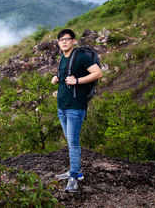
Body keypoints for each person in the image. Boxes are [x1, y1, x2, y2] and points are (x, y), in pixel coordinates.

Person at [51, 29, 102, 192]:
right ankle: (77, 172)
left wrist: (77, 80)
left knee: (73, 142)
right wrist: (57, 78)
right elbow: (65, 75)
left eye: (67, 39)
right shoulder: (63, 57)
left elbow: (98, 73)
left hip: (75, 107)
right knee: (70, 140)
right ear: (58, 43)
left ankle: (74, 177)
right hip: (62, 106)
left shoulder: (80, 56)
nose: (64, 42)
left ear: (73, 41)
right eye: (61, 40)